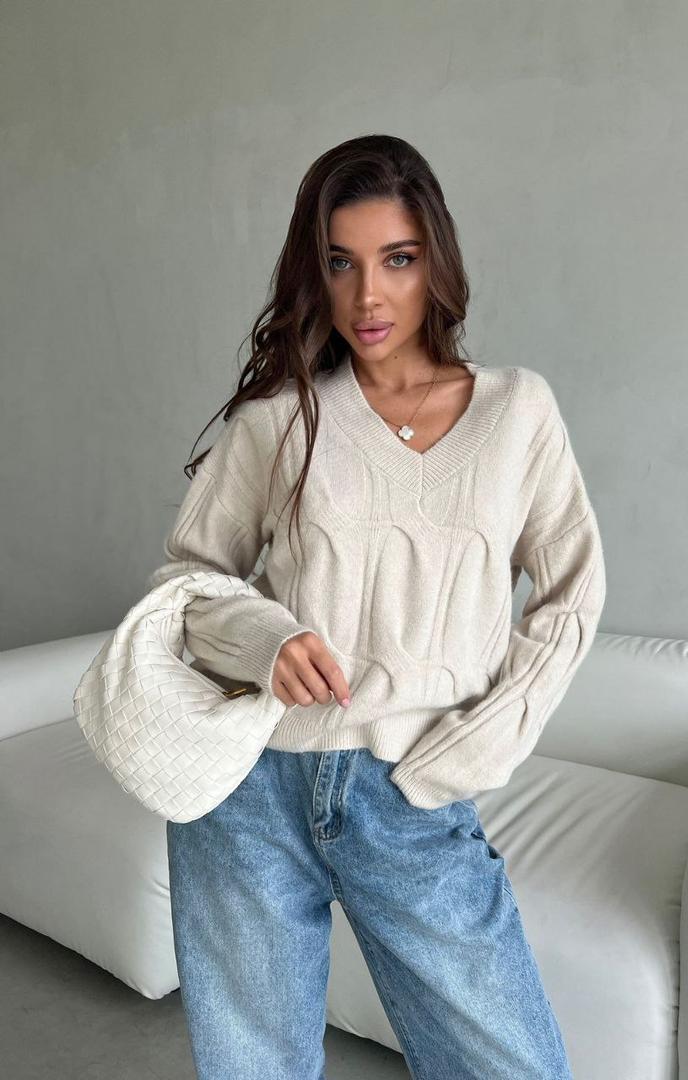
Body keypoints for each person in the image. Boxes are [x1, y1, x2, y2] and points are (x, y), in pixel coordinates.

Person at [150, 134, 606, 1080]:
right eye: (340, 263)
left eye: (397, 259)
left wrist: (477, 747)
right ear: (313, 273)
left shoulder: (517, 412)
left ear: (436, 260)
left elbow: (573, 591)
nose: (368, 296)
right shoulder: (280, 418)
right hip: (250, 792)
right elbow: (186, 584)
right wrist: (266, 639)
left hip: (412, 792)